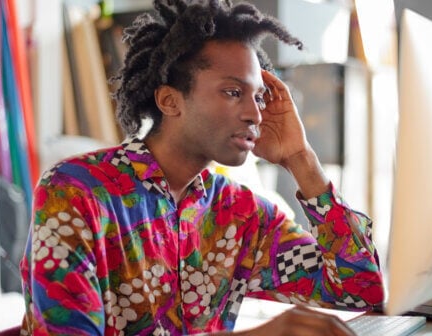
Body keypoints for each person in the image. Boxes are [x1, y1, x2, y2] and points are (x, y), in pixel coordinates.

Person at [19, 0, 384, 334]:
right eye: (232, 92)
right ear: (169, 101)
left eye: (258, 96)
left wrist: (301, 157)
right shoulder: (74, 192)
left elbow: (360, 291)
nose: (255, 114)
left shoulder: (242, 214)